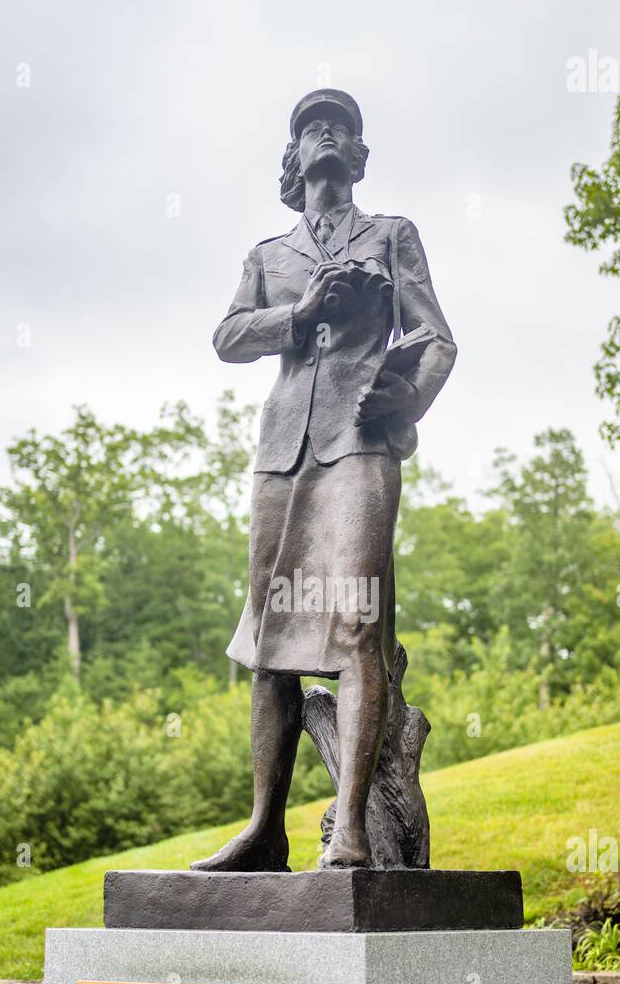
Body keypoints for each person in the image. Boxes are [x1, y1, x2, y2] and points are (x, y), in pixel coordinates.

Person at [192, 88, 456, 871]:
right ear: (296, 156)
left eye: (341, 126)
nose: (327, 134)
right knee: (270, 641)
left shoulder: (392, 234)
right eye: (312, 127)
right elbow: (229, 336)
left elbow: (437, 338)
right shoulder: (268, 256)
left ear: (359, 155)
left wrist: (404, 402)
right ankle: (263, 829)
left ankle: (352, 830)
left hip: (361, 446)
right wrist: (301, 315)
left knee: (355, 629)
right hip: (284, 456)